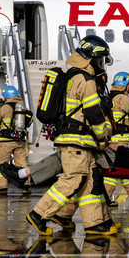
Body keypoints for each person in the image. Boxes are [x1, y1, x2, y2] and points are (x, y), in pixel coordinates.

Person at [26, 35, 116, 236]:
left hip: (79, 142)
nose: (101, 65)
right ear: (91, 59)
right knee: (73, 180)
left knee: (90, 181)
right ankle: (39, 214)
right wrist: (104, 136)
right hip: (76, 140)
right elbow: (93, 113)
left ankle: (93, 223)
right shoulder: (85, 80)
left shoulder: (73, 76)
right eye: (99, 59)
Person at [104, 71, 129, 208]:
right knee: (114, 171)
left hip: (111, 139)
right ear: (124, 85)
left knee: (124, 169)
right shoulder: (123, 99)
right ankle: (106, 198)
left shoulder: (109, 97)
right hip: (120, 141)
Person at [0, 85, 31, 195]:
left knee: (0, 163)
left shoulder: (5, 107)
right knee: (22, 163)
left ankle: (1, 187)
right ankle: (26, 185)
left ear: (6, 96)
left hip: (6, 141)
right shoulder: (23, 106)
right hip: (20, 140)